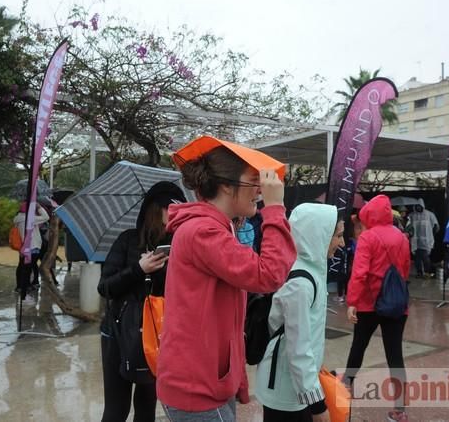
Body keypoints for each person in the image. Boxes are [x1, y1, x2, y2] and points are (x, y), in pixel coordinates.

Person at [157, 143, 297, 422]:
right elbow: (269, 275)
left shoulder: (214, 228)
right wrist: (275, 208)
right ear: (225, 186)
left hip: (205, 379)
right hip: (197, 388)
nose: (260, 190)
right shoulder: (203, 231)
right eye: (254, 182)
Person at [97, 181, 187, 422]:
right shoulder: (128, 240)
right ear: (154, 210)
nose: (176, 213)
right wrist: (139, 268)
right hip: (118, 333)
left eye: (181, 207)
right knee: (116, 410)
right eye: (171, 207)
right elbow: (105, 287)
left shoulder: (180, 244)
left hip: (157, 334)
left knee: (147, 408)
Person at [255, 203, 344, 422]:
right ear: (318, 235)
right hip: (286, 391)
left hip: (295, 385)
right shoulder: (301, 284)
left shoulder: (312, 271)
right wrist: (317, 406)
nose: (342, 243)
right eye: (338, 236)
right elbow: (298, 349)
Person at [344, 195, 411, 422]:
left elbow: (359, 273)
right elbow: (405, 270)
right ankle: (400, 410)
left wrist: (352, 301)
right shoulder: (402, 237)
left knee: (358, 348)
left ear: (369, 215)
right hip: (396, 303)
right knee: (395, 356)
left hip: (368, 304)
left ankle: (344, 391)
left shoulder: (367, 237)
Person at [13, 202, 49, 304]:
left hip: (23, 247)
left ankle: (19, 287)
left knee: (22, 267)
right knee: (27, 270)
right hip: (32, 247)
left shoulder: (18, 218)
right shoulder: (30, 218)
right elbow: (46, 217)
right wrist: (39, 207)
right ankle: (25, 293)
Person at [409, 199, 439, 278]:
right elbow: (408, 226)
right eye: (417, 206)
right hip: (416, 241)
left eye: (420, 206)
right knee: (417, 259)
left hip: (426, 241)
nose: (418, 208)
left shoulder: (429, 214)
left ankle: (427, 272)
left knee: (426, 258)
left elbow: (436, 225)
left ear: (423, 206)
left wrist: (434, 232)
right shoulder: (412, 215)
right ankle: (419, 272)